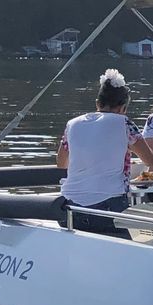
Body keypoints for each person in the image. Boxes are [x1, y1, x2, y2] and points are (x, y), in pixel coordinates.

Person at [57, 69, 143, 234]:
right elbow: (151, 160)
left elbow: (61, 163)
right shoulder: (124, 124)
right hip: (109, 209)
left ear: (98, 103)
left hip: (69, 209)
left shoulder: (72, 124)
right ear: (123, 108)